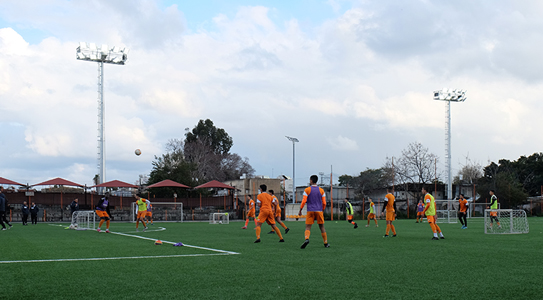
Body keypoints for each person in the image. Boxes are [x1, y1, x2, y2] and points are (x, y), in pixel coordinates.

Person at [298, 175, 329, 249]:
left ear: (311, 180)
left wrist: (300, 210)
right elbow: (324, 202)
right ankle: (325, 243)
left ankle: (307, 239)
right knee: (321, 227)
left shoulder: (307, 190)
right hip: (319, 210)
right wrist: (322, 209)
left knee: (308, 227)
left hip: (310, 210)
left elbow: (304, 201)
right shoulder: (321, 190)